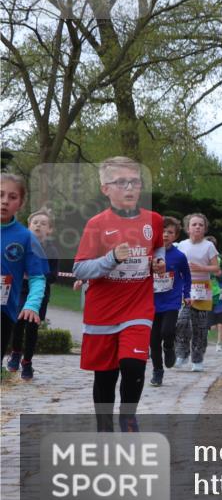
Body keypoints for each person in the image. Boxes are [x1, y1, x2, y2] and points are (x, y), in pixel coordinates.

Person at [72, 158, 165, 432]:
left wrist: (158, 262)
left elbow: (158, 247)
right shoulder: (96, 224)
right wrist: (111, 258)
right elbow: (80, 268)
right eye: (121, 182)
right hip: (102, 312)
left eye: (135, 181)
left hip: (138, 307)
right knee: (105, 377)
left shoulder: (154, 220)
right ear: (105, 189)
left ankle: (128, 418)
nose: (130, 187)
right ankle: (104, 428)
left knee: (133, 366)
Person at [1, 175, 48, 376]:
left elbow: (38, 277)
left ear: (20, 203)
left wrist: (32, 304)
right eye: (0, 195)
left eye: (12, 197)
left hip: (4, 312)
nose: (4, 201)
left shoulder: (26, 237)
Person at [7, 208, 59, 380]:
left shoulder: (52, 251)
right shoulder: (19, 245)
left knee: (32, 327)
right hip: (19, 291)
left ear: (50, 229)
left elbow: (53, 276)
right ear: (28, 226)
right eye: (35, 223)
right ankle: (15, 353)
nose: (38, 226)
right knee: (18, 322)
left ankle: (27, 362)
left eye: (43, 224)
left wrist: (35, 274)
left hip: (40, 293)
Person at [174, 214, 220, 371]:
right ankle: (182, 354)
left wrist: (201, 268)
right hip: (185, 287)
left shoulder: (209, 246)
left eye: (201, 224)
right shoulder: (181, 245)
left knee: (199, 326)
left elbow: (217, 268)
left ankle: (197, 359)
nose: (197, 227)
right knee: (181, 321)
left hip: (202, 288)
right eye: (194, 224)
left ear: (205, 228)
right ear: (188, 228)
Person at [150, 216, 192, 387]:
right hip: (151, 302)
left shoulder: (179, 256)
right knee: (153, 341)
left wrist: (187, 293)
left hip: (171, 301)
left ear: (176, 236)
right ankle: (157, 372)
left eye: (170, 232)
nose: (165, 235)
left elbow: (187, 276)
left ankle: (169, 347)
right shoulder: (150, 253)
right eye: (162, 231)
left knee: (167, 331)